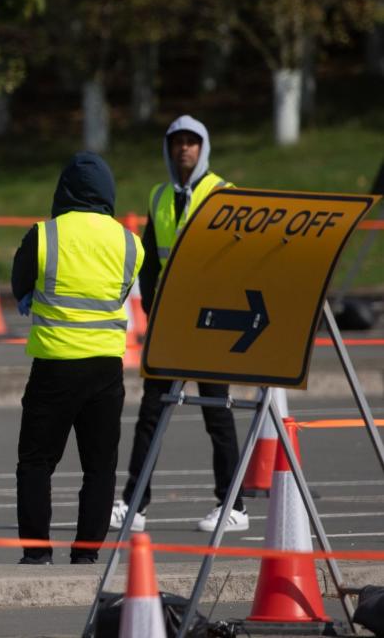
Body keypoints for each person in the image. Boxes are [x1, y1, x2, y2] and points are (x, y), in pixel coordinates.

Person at [111, 115, 246, 534]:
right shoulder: (159, 196)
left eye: (192, 141)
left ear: (203, 147)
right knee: (152, 412)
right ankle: (134, 505)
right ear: (169, 148)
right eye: (177, 141)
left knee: (217, 413)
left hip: (210, 324)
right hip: (170, 323)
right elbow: (151, 260)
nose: (184, 148)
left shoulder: (224, 194)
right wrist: (153, 308)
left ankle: (233, 505)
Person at [11, 152, 143, 565]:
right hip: (105, 369)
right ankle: (87, 554)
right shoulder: (129, 243)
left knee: (36, 461)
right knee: (99, 467)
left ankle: (36, 553)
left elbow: (20, 285)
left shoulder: (44, 234)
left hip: (53, 364)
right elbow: (120, 293)